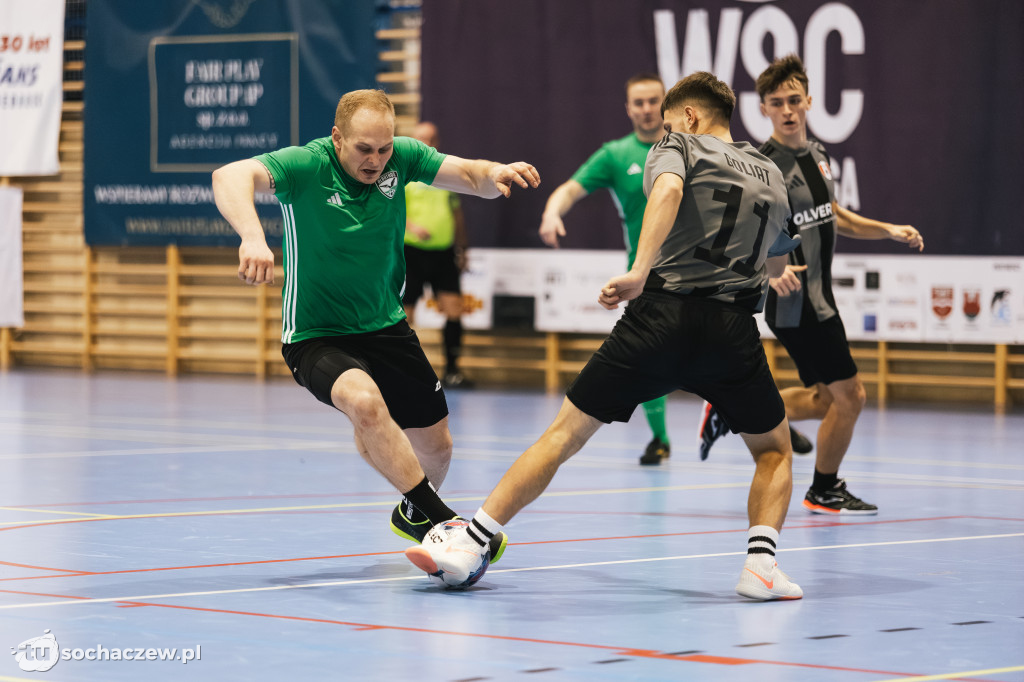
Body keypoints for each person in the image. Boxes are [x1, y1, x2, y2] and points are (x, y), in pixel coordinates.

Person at [407, 72, 805, 600]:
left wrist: (640, 271)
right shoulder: (772, 172)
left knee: (563, 436)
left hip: (659, 316)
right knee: (774, 450)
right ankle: (760, 566)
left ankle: (471, 543)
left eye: (666, 119)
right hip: (732, 329)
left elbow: (666, 189)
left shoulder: (677, 144)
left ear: (687, 117)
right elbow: (778, 255)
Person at [211, 89, 540, 558]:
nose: (376, 160)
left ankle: (411, 515)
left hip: (386, 327)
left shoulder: (401, 158)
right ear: (337, 138)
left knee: (438, 448)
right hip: (315, 334)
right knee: (363, 401)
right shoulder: (306, 165)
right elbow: (229, 175)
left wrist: (495, 174)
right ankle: (444, 522)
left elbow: (469, 174)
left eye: (384, 148)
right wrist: (251, 236)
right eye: (364, 149)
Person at [698, 55, 924, 515]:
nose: (787, 109)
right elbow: (736, 232)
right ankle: (823, 487)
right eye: (776, 102)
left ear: (808, 101)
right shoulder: (761, 165)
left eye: (794, 100)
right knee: (852, 396)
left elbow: (833, 216)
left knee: (826, 401)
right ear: (762, 109)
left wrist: (887, 229)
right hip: (795, 304)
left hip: (822, 299)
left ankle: (729, 409)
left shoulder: (818, 154)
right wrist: (768, 271)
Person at [538, 73, 673, 465]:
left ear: (665, 104)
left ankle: (767, 421)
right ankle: (661, 439)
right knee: (649, 356)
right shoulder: (615, 155)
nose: (647, 109)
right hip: (644, 274)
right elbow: (569, 189)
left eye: (653, 101)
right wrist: (551, 212)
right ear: (628, 108)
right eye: (639, 102)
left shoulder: (686, 148)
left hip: (692, 269)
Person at [403, 121, 473, 389]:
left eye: (431, 139)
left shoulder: (447, 176)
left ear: (437, 143)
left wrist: (463, 249)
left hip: (443, 254)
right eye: (421, 139)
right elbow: (391, 212)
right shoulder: (405, 175)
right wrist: (411, 226)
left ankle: (453, 371)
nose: (426, 144)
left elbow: (457, 215)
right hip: (412, 253)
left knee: (454, 309)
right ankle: (404, 371)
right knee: (404, 314)